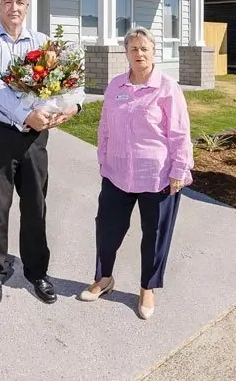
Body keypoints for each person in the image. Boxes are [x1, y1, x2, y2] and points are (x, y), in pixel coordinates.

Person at [0, 0, 81, 308]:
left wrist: (73, 106)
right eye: (8, 2)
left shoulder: (44, 42)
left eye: (20, 2)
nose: (14, 8)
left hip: (34, 138)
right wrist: (24, 114)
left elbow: (64, 81)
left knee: (35, 205)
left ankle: (36, 271)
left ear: (27, 7)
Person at [78, 26, 192, 320]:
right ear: (126, 53)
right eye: (133, 49)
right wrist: (103, 158)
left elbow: (179, 133)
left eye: (144, 48)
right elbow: (104, 125)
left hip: (157, 174)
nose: (139, 54)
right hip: (117, 172)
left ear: (154, 52)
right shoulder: (116, 85)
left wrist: (179, 169)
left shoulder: (167, 87)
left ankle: (147, 288)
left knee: (154, 234)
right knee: (107, 227)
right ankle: (104, 279)